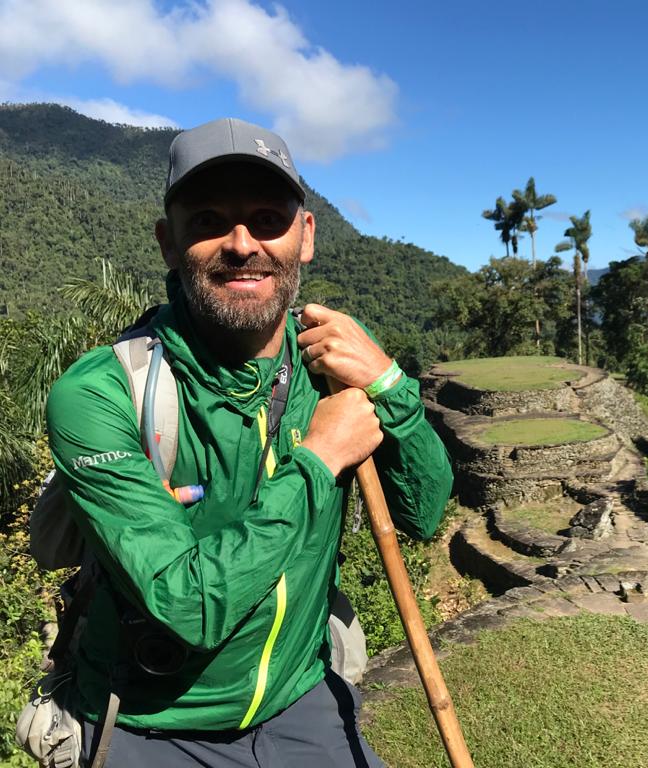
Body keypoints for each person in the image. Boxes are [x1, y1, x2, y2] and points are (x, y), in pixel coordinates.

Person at [44, 117, 453, 766]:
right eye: (207, 219)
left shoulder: (332, 361)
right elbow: (188, 606)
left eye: (267, 218)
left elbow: (424, 512)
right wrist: (318, 461)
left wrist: (393, 385)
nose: (241, 243)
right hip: (153, 721)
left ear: (305, 235)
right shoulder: (101, 394)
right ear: (167, 243)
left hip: (300, 696)